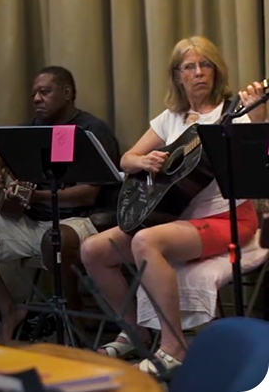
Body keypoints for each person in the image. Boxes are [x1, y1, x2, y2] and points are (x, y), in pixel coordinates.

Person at [80, 35, 264, 374]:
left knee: (146, 240)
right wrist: (144, 161)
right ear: (178, 76)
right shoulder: (170, 118)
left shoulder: (234, 113)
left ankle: (174, 346)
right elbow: (125, 159)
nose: (199, 72)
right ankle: (133, 330)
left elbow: (256, 165)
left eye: (205, 65)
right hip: (175, 216)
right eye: (189, 67)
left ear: (216, 71)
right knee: (94, 250)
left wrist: (260, 118)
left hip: (228, 218)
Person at [0, 66, 120, 343]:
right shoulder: (34, 127)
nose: (37, 99)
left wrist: (38, 196)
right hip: (34, 220)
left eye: (45, 92)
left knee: (54, 240)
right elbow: (3, 145)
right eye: (34, 94)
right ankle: (9, 309)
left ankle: (72, 321)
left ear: (67, 93)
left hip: (81, 220)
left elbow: (89, 194)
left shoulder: (91, 130)